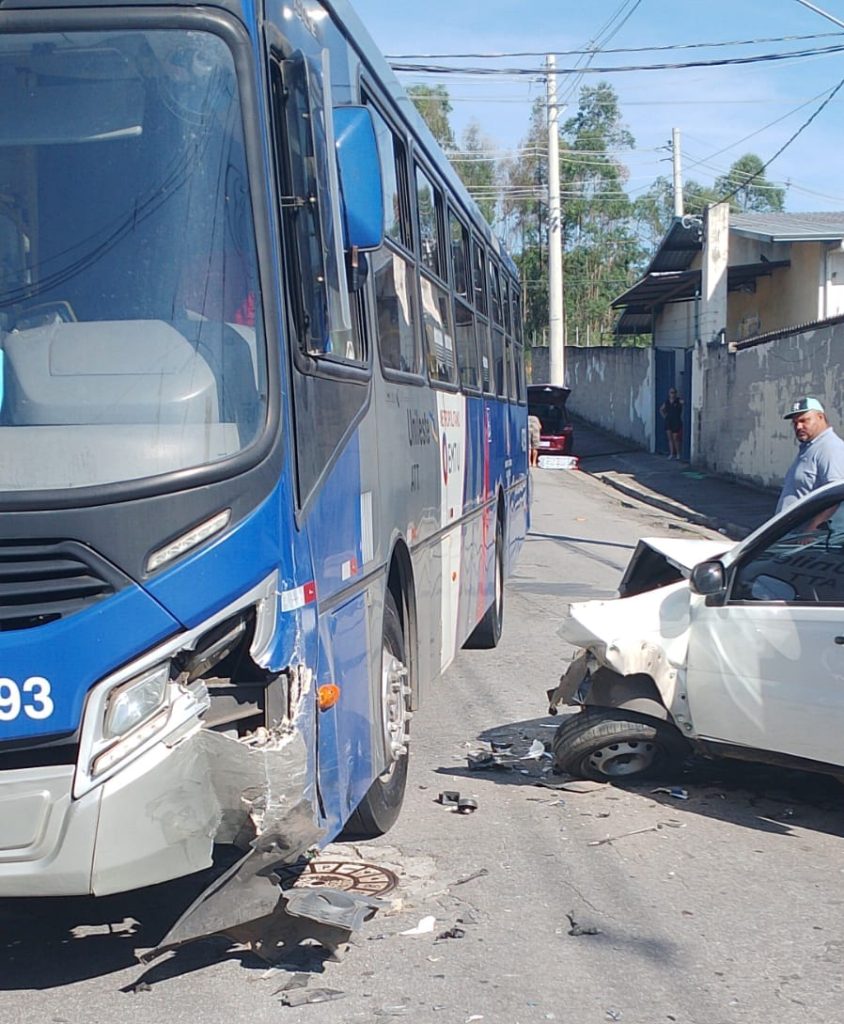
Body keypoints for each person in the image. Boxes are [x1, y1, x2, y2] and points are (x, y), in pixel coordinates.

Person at [776, 396, 844, 513]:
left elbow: (835, 498)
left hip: (809, 530)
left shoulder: (830, 448)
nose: (798, 427)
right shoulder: (811, 446)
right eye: (795, 422)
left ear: (820, 417)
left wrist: (811, 529)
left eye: (804, 420)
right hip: (793, 528)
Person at [660, 387, 683, 460]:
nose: (673, 394)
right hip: (668, 421)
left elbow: (683, 403)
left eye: (674, 392)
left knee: (676, 438)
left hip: (676, 421)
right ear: (669, 394)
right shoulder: (667, 402)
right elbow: (661, 409)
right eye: (671, 392)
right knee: (670, 438)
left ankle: (678, 453)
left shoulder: (678, 401)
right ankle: (671, 453)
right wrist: (665, 417)